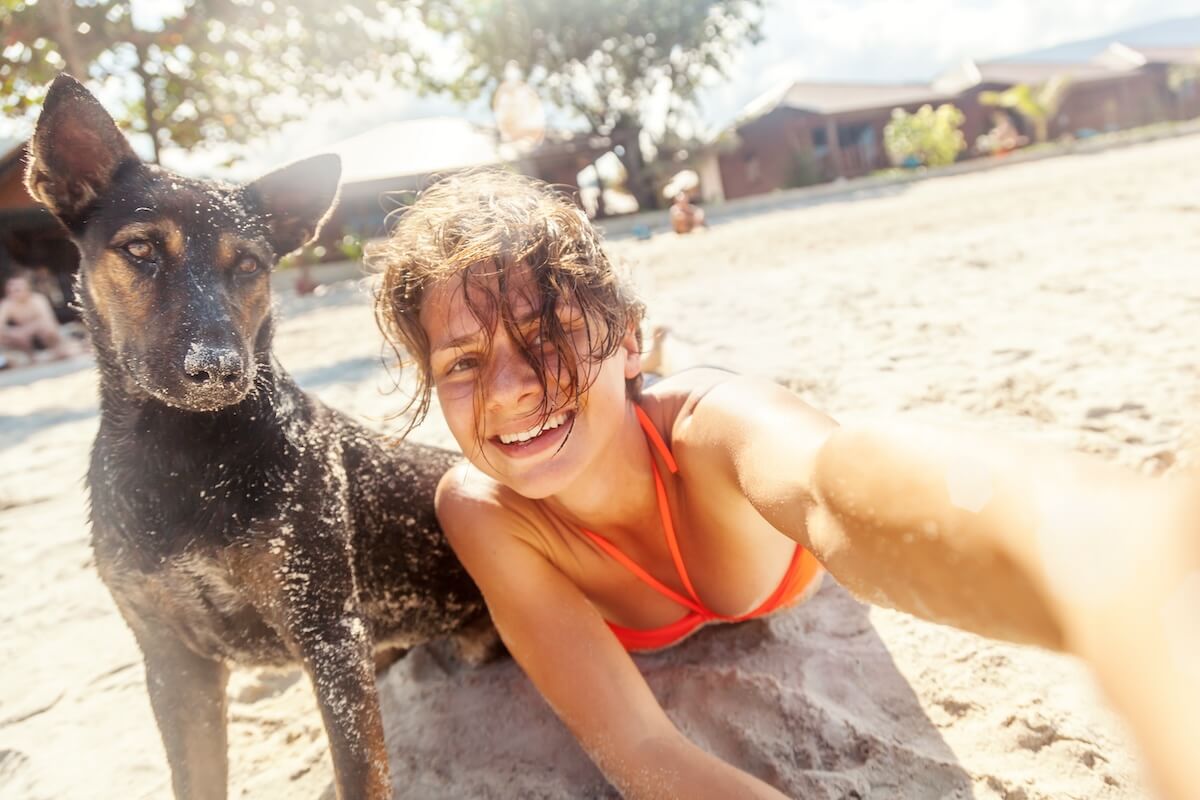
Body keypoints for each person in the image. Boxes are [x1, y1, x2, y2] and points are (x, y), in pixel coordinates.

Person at [371, 170, 1199, 800]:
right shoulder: (484, 509)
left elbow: (837, 491)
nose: (510, 387)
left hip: (695, 427)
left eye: (545, 332)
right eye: (464, 362)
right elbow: (645, 754)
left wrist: (1098, 555)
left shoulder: (712, 431)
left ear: (619, 331)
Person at [0, 271, 75, 364]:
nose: (14, 292)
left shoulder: (37, 299)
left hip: (43, 336)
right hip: (23, 341)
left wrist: (25, 330)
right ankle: (30, 356)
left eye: (17, 289)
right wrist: (14, 332)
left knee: (48, 329)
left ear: (27, 288)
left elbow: (49, 322)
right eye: (11, 290)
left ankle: (54, 351)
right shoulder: (7, 304)